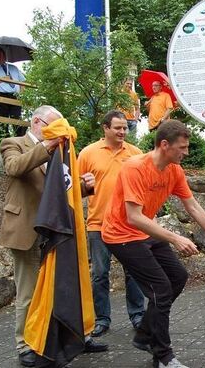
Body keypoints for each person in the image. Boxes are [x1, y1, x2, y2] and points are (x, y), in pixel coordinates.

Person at [101, 119, 205, 368]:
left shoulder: (174, 170)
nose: (186, 152)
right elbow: (134, 217)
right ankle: (163, 356)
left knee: (178, 277)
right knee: (160, 289)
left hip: (144, 231)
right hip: (121, 235)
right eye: (182, 147)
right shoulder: (135, 168)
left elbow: (193, 206)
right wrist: (175, 237)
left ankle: (144, 333)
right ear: (165, 145)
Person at [0, 105, 107, 367]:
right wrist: (47, 146)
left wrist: (84, 186)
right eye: (54, 125)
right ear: (38, 122)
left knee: (65, 286)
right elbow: (14, 168)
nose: (60, 131)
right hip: (27, 229)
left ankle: (76, 335)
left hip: (57, 230)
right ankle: (25, 345)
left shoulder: (62, 150)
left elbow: (63, 190)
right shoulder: (13, 143)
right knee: (28, 292)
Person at [78, 110, 146, 338]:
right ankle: (102, 319)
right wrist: (86, 185)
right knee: (99, 274)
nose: (122, 131)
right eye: (117, 127)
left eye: (125, 127)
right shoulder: (88, 153)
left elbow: (145, 186)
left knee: (134, 272)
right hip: (98, 225)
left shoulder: (136, 154)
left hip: (129, 225)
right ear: (105, 128)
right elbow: (76, 190)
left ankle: (138, 315)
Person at [0, 47, 25, 138]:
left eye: (1, 54)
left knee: (17, 120)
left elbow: (22, 82)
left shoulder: (13, 67)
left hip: (15, 96)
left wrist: (22, 94)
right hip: (0, 96)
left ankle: (20, 141)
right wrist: (2, 79)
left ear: (5, 55)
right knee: (3, 122)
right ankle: (5, 143)